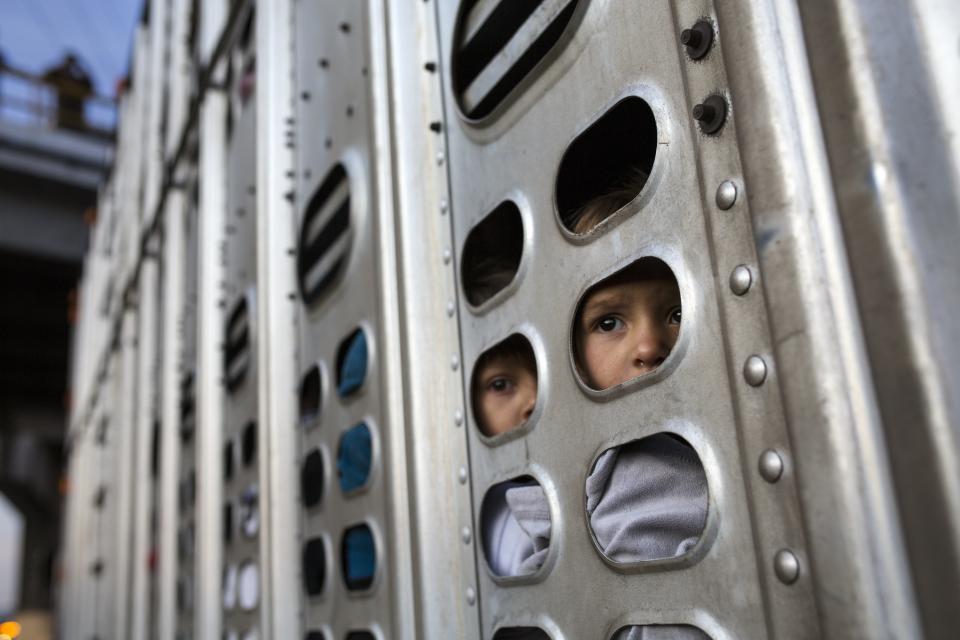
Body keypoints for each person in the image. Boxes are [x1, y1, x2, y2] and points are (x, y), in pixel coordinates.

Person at [43, 53, 93, 131]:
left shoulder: (80, 79)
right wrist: (61, 69)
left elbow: (91, 90)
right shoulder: (60, 75)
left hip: (76, 118)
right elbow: (45, 78)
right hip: (63, 117)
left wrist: (81, 71)